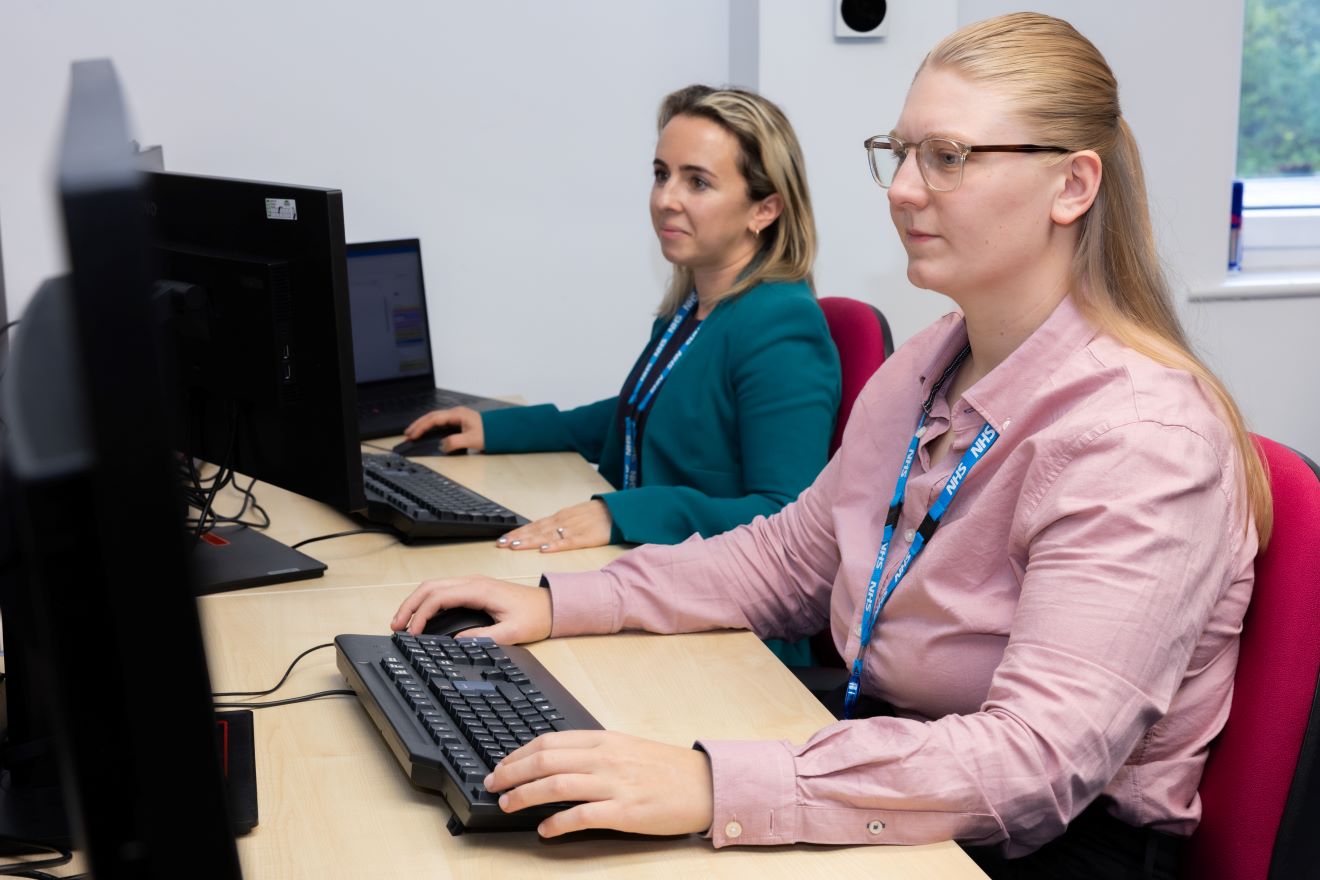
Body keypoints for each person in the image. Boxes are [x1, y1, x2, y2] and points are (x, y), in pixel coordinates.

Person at [391, 13, 1271, 878]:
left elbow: (1032, 764)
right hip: (896, 752)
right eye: (901, 152)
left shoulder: (1140, 440)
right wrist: (566, 601)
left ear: (1073, 186)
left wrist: (710, 782)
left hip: (1046, 837)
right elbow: (788, 559)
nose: (902, 189)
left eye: (949, 156)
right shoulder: (933, 362)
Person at [401, 85, 840, 566]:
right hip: (657, 575)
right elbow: (645, 413)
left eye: (697, 182)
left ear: (765, 209)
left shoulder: (782, 326)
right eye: (661, 174)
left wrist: (621, 514)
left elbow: (786, 519)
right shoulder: (696, 306)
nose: (666, 199)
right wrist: (496, 427)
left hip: (737, 618)